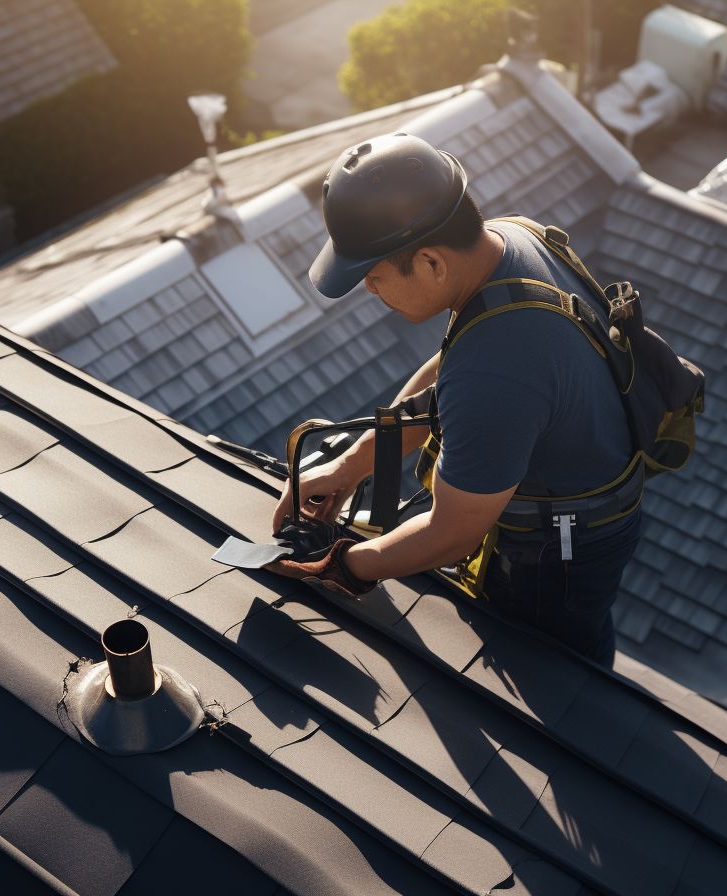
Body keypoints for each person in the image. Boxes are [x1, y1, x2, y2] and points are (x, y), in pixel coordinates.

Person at [268, 132, 642, 667]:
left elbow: (452, 534)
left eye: (373, 277)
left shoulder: (499, 369)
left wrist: (344, 567)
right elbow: (454, 365)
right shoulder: (508, 240)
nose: (371, 292)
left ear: (432, 264)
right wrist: (353, 465)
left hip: (560, 552)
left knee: (557, 676)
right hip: (583, 488)